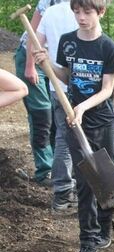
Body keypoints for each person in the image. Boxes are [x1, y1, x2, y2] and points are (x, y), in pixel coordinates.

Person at [33, 0, 114, 252]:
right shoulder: (67, 42)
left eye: (87, 12)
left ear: (100, 12)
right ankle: (88, 241)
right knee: (84, 182)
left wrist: (82, 107)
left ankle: (105, 228)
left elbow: (107, 90)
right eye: (77, 12)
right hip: (75, 121)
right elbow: (66, 75)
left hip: (102, 120)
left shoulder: (108, 47)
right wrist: (46, 63)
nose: (81, 17)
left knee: (106, 175)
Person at [14, 0, 68, 187]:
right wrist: (30, 66)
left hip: (53, 60)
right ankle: (44, 170)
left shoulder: (84, 6)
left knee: (57, 113)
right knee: (42, 114)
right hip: (32, 57)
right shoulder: (49, 1)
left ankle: (58, 168)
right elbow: (32, 32)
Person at [36, 0, 79, 214]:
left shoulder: (50, 12)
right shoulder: (83, 10)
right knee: (82, 138)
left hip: (57, 85)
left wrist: (41, 57)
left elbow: (36, 44)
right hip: (82, 86)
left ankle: (62, 195)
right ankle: (77, 191)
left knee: (63, 139)